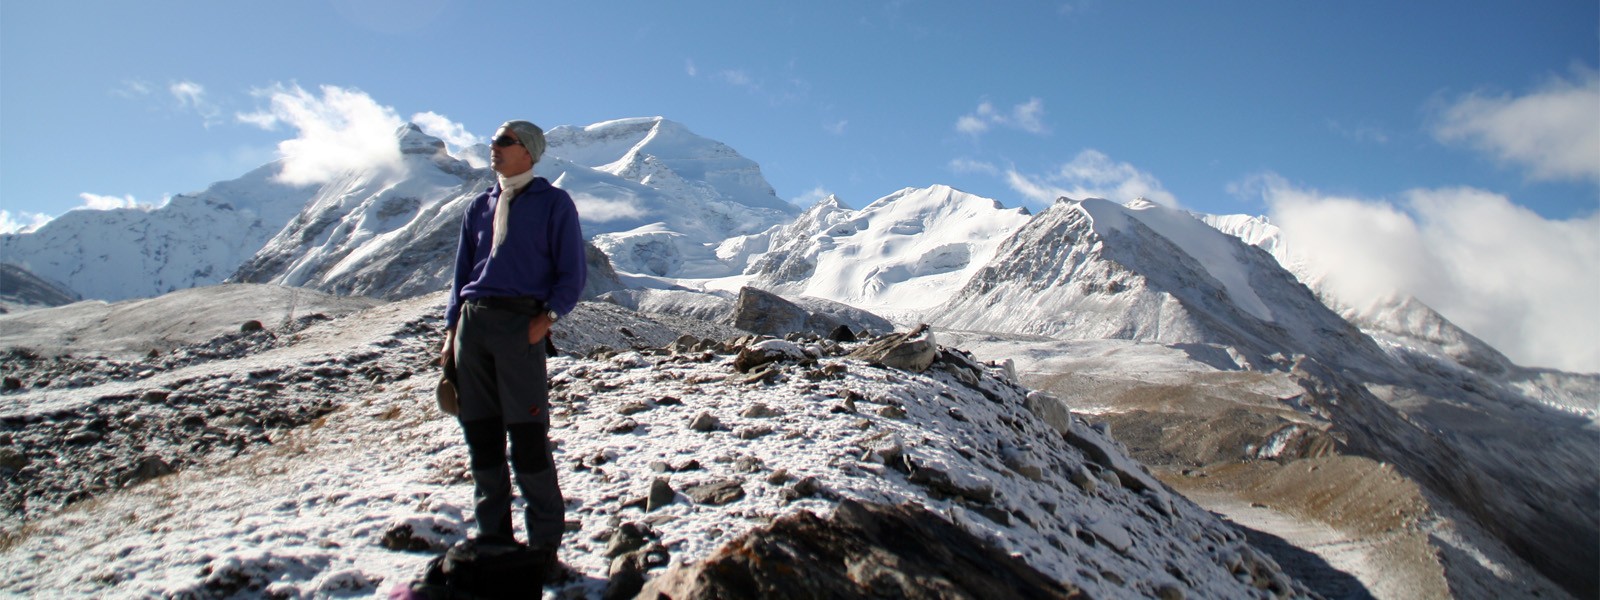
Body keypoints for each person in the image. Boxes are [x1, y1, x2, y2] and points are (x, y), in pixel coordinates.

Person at [441, 120, 586, 573]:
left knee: (526, 438)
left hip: (519, 324)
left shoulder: (554, 203)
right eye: (495, 140)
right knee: (481, 437)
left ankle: (543, 550)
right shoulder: (478, 207)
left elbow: (572, 272)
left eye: (505, 141)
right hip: (473, 325)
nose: (494, 147)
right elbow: (461, 275)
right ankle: (493, 543)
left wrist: (546, 320)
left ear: (530, 151)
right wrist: (450, 334)